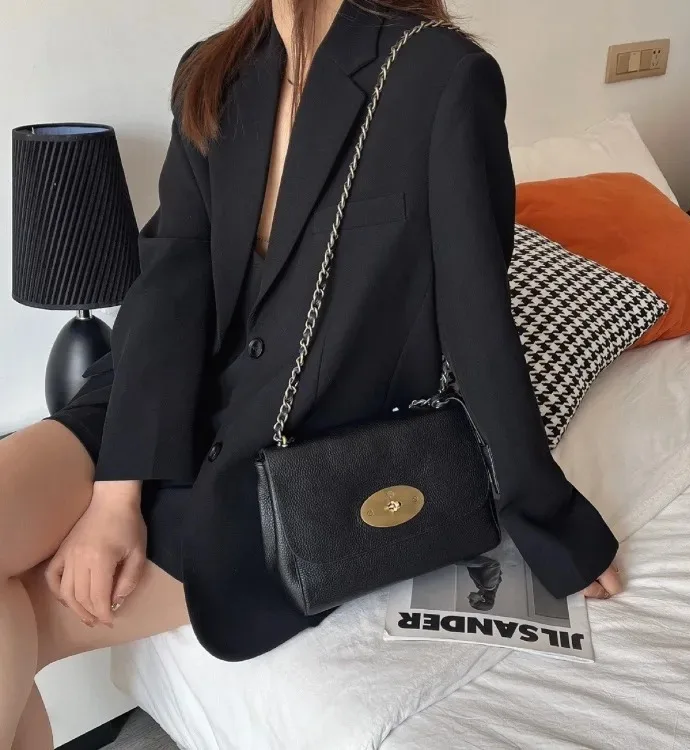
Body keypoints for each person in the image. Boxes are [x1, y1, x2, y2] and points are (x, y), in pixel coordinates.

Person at [0, 1, 623, 746]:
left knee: (14, 623)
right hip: (140, 404)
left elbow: (479, 322)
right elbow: (169, 290)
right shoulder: (212, 71)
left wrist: (551, 524)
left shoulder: (440, 75)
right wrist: (114, 497)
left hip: (274, 457)